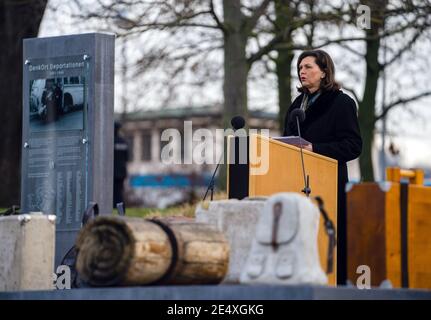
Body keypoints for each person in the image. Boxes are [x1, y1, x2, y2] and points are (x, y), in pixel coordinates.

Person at [283, 49, 362, 285]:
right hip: (295, 184)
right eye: (299, 68)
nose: (302, 72)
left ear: (324, 71)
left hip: (329, 186)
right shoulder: (297, 104)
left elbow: (353, 146)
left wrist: (315, 149)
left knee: (326, 242)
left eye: (308, 67)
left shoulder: (342, 103)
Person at [113, 121, 130, 209]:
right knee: (119, 192)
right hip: (122, 172)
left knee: (113, 193)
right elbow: (127, 158)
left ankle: (114, 208)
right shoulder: (123, 142)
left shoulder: (110, 142)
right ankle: (121, 210)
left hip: (112, 172)